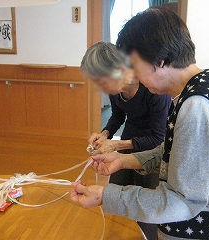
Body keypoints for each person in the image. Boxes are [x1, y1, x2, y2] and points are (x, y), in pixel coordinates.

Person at [71, 7, 209, 240]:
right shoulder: (205, 82)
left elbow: (182, 201)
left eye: (134, 66)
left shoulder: (197, 108)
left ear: (160, 60)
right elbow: (176, 151)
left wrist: (106, 196)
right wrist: (123, 160)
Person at [81, 41, 171, 239]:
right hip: (130, 138)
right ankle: (122, 233)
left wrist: (115, 144)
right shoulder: (117, 91)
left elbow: (157, 137)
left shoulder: (152, 89)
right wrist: (104, 134)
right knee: (117, 191)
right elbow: (117, 116)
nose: (100, 86)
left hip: (152, 149)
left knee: (146, 201)